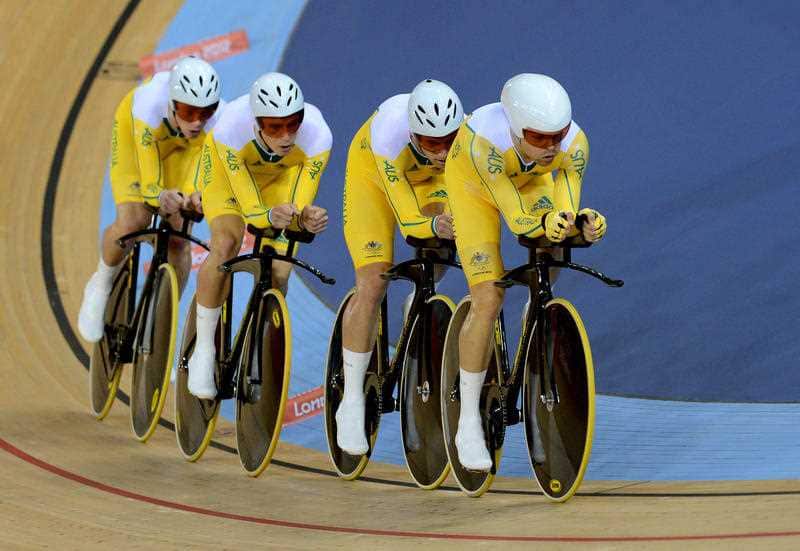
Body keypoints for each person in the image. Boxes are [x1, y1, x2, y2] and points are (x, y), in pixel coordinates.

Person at [444, 73, 607, 470]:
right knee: (488, 296)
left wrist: (579, 225)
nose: (552, 146)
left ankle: (536, 312)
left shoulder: (573, 143)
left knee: (550, 249)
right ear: (516, 129)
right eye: (539, 137)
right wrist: (547, 223)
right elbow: (518, 219)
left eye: (558, 135)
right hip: (473, 187)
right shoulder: (486, 143)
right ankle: (467, 421)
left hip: (528, 180)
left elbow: (563, 208)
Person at [335, 79, 464, 454]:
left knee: (444, 239)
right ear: (413, 134)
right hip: (374, 177)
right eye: (430, 143)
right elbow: (409, 221)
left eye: (448, 141)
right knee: (373, 280)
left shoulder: (467, 138)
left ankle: (417, 305)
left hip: (429, 182)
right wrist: (438, 225)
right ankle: (352, 399)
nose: (441, 152)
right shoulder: (389, 138)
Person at [187, 72, 331, 399]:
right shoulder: (229, 130)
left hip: (279, 180)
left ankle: (259, 349)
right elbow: (251, 210)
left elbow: (299, 204)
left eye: (293, 123)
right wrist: (270, 215)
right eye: (274, 127)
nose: (285, 136)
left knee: (279, 271)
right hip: (229, 180)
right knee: (226, 243)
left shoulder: (318, 135)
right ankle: (205, 349)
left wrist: (304, 218)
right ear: (256, 123)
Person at [78, 57, 222, 343]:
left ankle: (161, 326)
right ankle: (101, 284)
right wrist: (159, 194)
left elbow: (204, 169)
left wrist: (193, 196)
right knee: (135, 220)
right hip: (139, 144)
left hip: (185, 151)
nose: (196, 121)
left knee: (179, 236)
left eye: (205, 111)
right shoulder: (148, 106)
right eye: (188, 110)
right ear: (172, 102)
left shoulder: (218, 123)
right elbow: (150, 184)